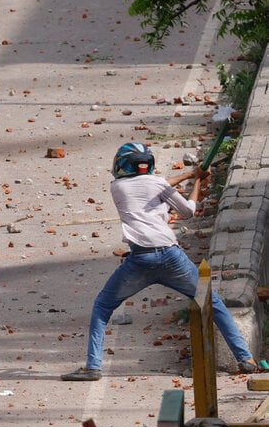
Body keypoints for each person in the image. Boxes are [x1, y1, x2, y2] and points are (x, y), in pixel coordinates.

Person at [61, 142, 258, 381]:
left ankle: (93, 366)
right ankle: (245, 358)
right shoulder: (158, 183)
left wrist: (191, 175)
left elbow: (158, 185)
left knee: (103, 307)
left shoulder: (118, 187)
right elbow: (187, 211)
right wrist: (197, 181)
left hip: (140, 259)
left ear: (122, 165)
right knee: (211, 301)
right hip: (172, 257)